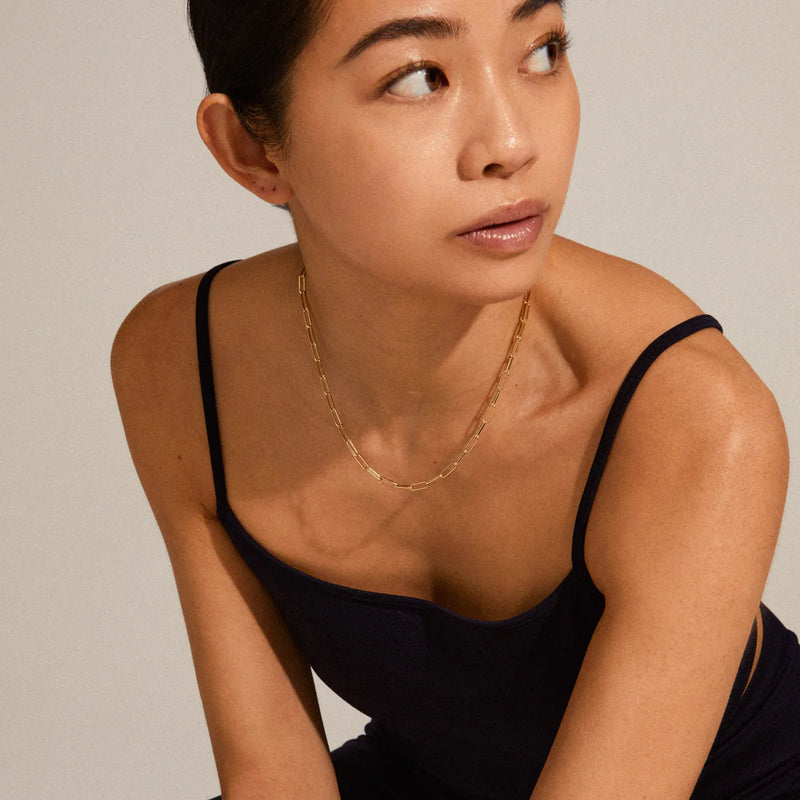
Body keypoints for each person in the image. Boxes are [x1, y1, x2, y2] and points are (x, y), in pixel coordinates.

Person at [111, 1, 800, 798]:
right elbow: (273, 778)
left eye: (542, 52)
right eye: (418, 78)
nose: (512, 144)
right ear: (250, 148)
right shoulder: (181, 364)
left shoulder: (693, 416)